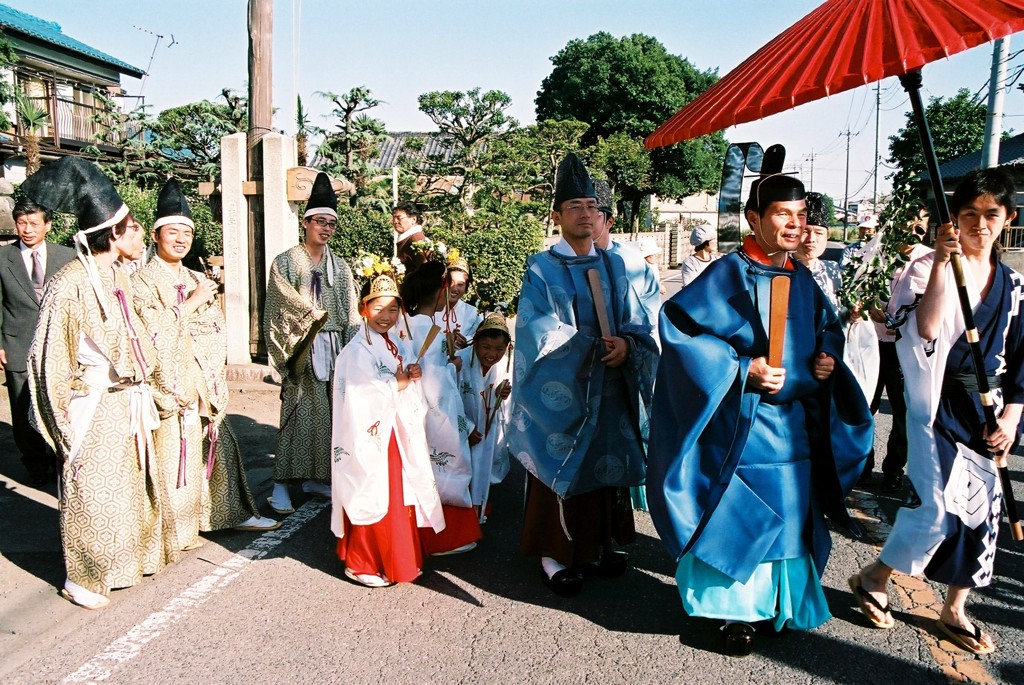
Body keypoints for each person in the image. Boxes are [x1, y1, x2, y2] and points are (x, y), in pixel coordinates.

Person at [646, 173, 872, 655]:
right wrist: (741, 367)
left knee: (791, 513)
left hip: (793, 425)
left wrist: (828, 355)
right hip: (742, 425)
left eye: (801, 216)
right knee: (738, 511)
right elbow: (681, 330)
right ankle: (734, 611)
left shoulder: (802, 276)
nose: (795, 225)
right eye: (782, 215)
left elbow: (827, 329)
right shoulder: (728, 273)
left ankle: (779, 604)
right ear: (754, 218)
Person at [850, 169, 1022, 656]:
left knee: (978, 512)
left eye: (992, 215)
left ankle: (955, 607)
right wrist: (946, 262)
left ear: (1007, 218)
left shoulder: (1014, 284)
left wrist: (1011, 418)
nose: (981, 225)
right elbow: (925, 329)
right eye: (970, 214)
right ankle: (874, 575)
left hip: (987, 413)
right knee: (939, 508)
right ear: (955, 219)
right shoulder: (928, 267)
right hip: (938, 404)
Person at [509, 153, 658, 597]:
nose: (586, 215)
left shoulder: (615, 264)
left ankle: (597, 544)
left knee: (605, 462)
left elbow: (639, 318)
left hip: (610, 385)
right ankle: (554, 554)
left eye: (592, 206)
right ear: (556, 215)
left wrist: (629, 344)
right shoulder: (542, 267)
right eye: (574, 206)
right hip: (563, 387)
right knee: (560, 461)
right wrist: (590, 348)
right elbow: (537, 328)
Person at [23, 157, 164, 609]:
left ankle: (120, 565)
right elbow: (49, 354)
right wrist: (62, 411)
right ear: (115, 233)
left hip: (126, 398)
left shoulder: (119, 274)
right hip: (94, 397)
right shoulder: (70, 280)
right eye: (133, 228)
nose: (138, 235)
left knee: (123, 487)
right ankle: (83, 574)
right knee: (90, 487)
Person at [132, 178, 279, 547]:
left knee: (216, 448)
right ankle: (175, 529)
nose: (180, 239)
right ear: (155, 234)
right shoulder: (141, 281)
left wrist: (206, 376)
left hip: (202, 382)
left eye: (186, 232)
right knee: (171, 458)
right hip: (167, 387)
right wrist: (191, 306)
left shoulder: (198, 278)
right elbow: (148, 332)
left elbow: (214, 331)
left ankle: (230, 513)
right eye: (172, 231)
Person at [330, 272, 444, 587]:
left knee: (396, 494)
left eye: (393, 309)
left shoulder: (388, 343)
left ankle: (392, 558)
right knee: (371, 491)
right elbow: (359, 394)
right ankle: (363, 561)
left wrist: (410, 374)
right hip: (372, 434)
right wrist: (398, 383)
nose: (386, 316)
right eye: (378, 308)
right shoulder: (356, 350)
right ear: (364, 308)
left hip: (392, 433)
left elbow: (394, 379)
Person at [264, 172, 361, 515]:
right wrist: (310, 320)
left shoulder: (341, 266)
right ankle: (280, 485)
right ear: (305, 222)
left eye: (332, 223)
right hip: (302, 346)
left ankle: (316, 477)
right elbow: (279, 302)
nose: (326, 228)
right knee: (299, 414)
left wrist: (353, 351)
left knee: (331, 416)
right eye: (320, 221)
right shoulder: (286, 261)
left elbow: (351, 311)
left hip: (334, 348)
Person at [401, 259, 481, 555]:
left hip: (409, 408)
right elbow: (435, 379)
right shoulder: (432, 330)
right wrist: (453, 367)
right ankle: (441, 538)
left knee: (418, 471)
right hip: (433, 410)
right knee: (445, 469)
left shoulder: (405, 323)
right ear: (440, 293)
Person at [0, 197, 74, 485]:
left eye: (33, 223)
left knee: (59, 402)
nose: (27, 229)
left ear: (48, 225)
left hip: (57, 342)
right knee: (21, 407)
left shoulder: (66, 256)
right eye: (22, 223)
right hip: (17, 341)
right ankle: (34, 464)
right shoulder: (3, 258)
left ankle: (62, 458)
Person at [864, 202, 933, 491]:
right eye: (909, 225)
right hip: (870, 342)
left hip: (904, 347)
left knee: (902, 412)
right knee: (864, 406)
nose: (914, 233)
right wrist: (868, 305)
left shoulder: (930, 261)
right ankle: (861, 465)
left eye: (921, 228)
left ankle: (893, 469)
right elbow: (859, 289)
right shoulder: (877, 253)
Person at [455, 312, 513, 522]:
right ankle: (462, 516)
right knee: (460, 470)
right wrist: (467, 428)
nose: (492, 354)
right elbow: (449, 399)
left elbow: (505, 397)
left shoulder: (505, 364)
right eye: (486, 347)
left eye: (499, 349)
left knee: (482, 467)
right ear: (476, 341)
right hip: (463, 427)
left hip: (487, 428)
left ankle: (477, 510)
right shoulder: (460, 360)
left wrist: (501, 394)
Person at [442, 252, 482, 354]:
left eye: (460, 284)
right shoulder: (432, 310)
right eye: (450, 282)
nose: (454, 288)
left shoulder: (474, 313)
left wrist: (466, 342)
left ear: (466, 288)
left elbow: (478, 338)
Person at [392, 201, 428, 272]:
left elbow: (424, 271)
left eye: (399, 218)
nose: (395, 221)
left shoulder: (416, 240)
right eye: (394, 218)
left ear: (414, 219)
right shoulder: (408, 238)